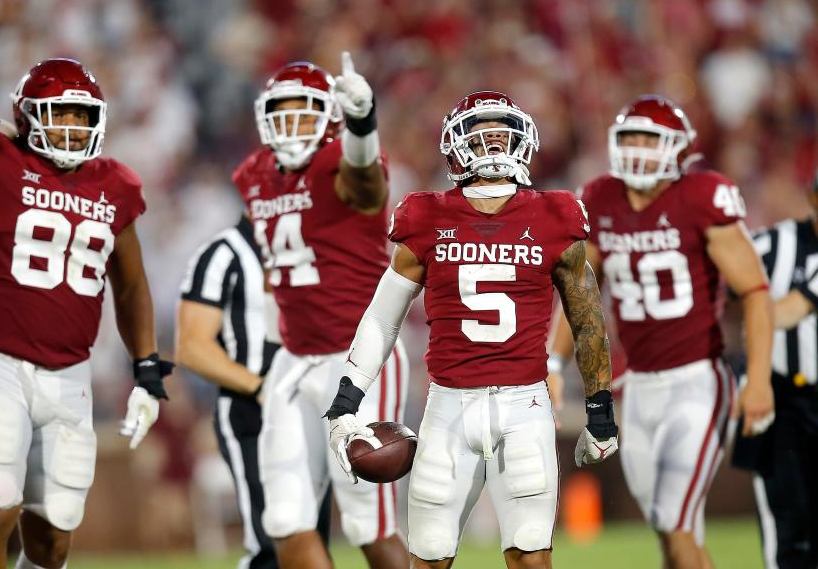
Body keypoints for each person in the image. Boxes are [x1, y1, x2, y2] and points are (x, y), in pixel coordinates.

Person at [0, 0, 172, 569]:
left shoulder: (116, 184)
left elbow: (129, 285)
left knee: (52, 542)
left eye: (82, 115)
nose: (72, 126)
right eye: (59, 113)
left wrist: (147, 366)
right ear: (27, 114)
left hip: (70, 372)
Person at [326, 91, 619, 569]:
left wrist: (600, 410)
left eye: (503, 135)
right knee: (429, 559)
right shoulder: (425, 214)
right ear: (458, 147)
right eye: (482, 138)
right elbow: (383, 317)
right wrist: (345, 403)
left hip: (524, 403)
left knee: (530, 559)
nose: (495, 146)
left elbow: (587, 320)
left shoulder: (554, 213)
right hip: (448, 405)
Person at [546, 95, 775, 569]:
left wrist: (759, 379)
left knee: (675, 519)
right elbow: (581, 292)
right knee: (668, 530)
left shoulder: (702, 195)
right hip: (638, 388)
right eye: (628, 137)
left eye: (648, 139)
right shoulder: (601, 196)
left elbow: (754, 290)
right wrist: (552, 362)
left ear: (677, 149)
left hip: (696, 381)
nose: (637, 149)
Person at [231, 54, 409, 568]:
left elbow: (368, 184)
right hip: (294, 357)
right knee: (284, 520)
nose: (291, 123)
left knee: (366, 523)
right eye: (281, 110)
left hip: (357, 356)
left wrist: (362, 125)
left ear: (330, 116)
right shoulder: (253, 175)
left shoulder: (340, 159)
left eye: (304, 111)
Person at [175, 213, 332, 567]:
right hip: (252, 407)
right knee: (274, 542)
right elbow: (191, 346)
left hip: (310, 407)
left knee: (311, 541)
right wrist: (262, 387)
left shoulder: (316, 245)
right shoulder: (223, 253)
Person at [733, 171, 818, 569]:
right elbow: (711, 285)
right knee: (788, 529)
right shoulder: (771, 243)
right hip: (782, 399)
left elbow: (787, 311)